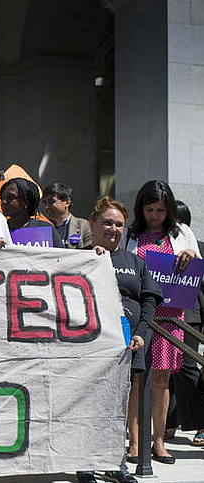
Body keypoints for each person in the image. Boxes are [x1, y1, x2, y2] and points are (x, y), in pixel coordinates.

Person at [77, 196, 159, 483]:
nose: (113, 229)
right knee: (88, 403)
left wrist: (141, 333)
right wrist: (90, 259)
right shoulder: (79, 255)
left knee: (118, 405)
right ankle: (85, 464)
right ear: (93, 224)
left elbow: (149, 300)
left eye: (119, 224)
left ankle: (115, 464)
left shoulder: (135, 262)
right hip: (89, 345)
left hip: (127, 344)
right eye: (107, 223)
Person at [122, 180, 200, 465]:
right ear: (141, 208)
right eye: (150, 209)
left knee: (161, 379)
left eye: (160, 210)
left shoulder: (182, 232)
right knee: (136, 377)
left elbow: (196, 268)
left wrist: (190, 256)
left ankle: (158, 441)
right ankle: (134, 440)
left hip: (170, 314)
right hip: (140, 312)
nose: (155, 215)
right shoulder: (131, 234)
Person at [165, 200, 204, 445]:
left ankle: (201, 423)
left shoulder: (198, 248)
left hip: (190, 315)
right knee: (166, 372)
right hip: (164, 314)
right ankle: (170, 421)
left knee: (187, 367)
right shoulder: (161, 247)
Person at [0, 178, 63, 247]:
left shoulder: (45, 230)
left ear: (25, 202)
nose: (4, 202)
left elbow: (62, 256)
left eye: (10, 197)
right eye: (2, 198)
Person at [41, 182, 92, 249]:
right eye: (45, 202)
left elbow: (90, 252)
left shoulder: (84, 226)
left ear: (67, 202)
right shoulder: (41, 227)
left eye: (51, 202)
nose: (47, 207)